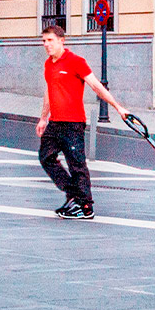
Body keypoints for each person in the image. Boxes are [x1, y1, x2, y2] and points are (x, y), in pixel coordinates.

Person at [36, 25, 129, 219]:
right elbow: (49, 91)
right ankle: (74, 196)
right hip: (55, 122)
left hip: (73, 123)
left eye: (50, 40)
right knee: (45, 157)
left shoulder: (76, 62)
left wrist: (118, 107)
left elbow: (96, 86)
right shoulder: (48, 64)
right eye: (44, 41)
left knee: (77, 165)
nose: (46, 44)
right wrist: (43, 118)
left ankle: (86, 207)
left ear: (62, 40)